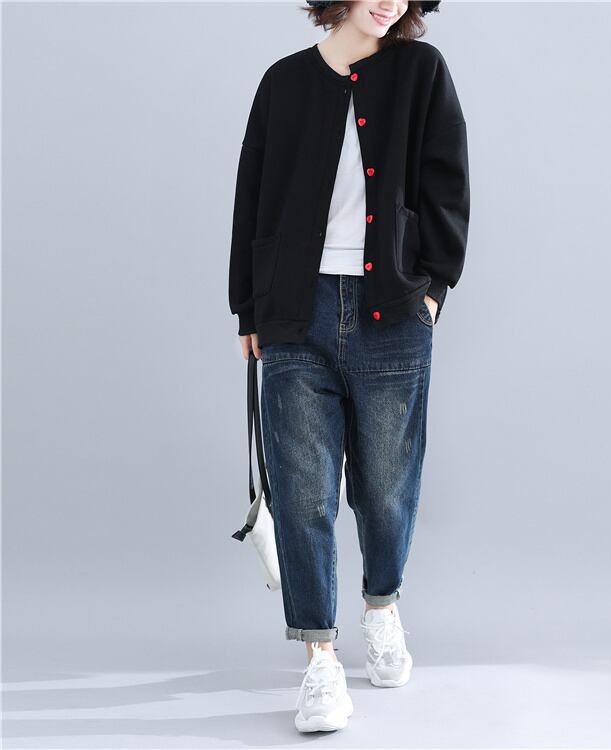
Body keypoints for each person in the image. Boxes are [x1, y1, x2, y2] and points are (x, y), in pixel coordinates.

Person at [228, 0, 469, 733]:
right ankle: (320, 660)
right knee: (303, 495)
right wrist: (248, 309)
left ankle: (382, 607)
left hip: (390, 310)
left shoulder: (421, 71)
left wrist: (432, 291)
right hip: (294, 315)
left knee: (387, 489)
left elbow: (448, 184)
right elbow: (251, 197)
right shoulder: (284, 82)